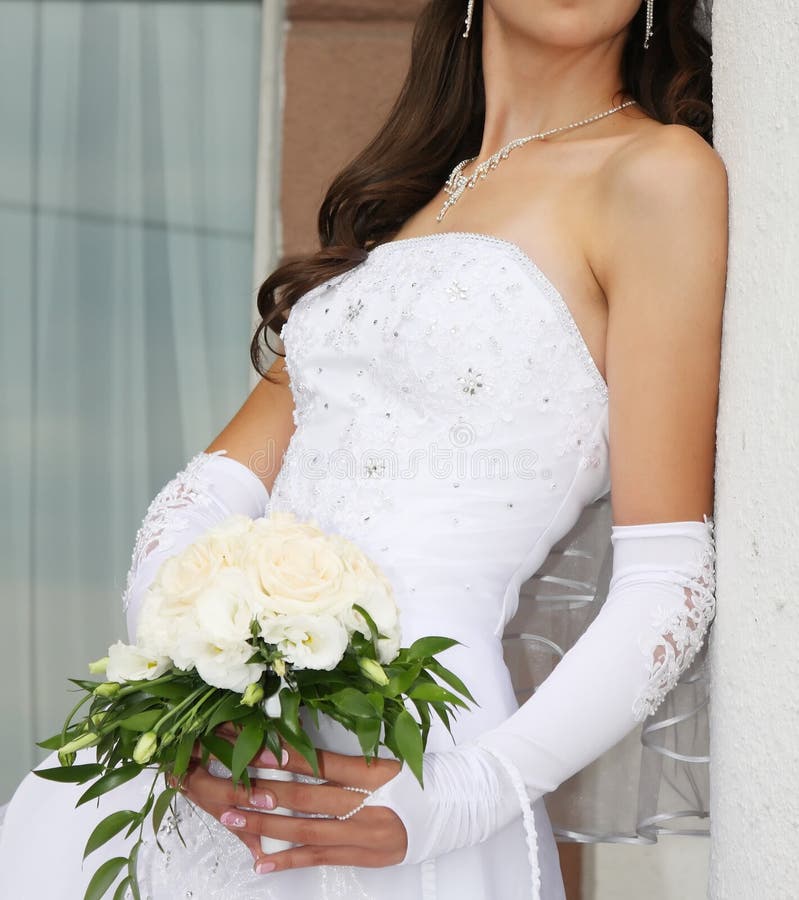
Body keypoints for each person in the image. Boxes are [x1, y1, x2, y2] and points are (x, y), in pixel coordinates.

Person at [0, 0, 728, 897]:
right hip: (225, 748)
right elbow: (209, 487)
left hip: (408, 768)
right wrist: (195, 660)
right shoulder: (409, 201)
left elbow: (670, 577)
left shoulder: (657, 174)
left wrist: (466, 797)